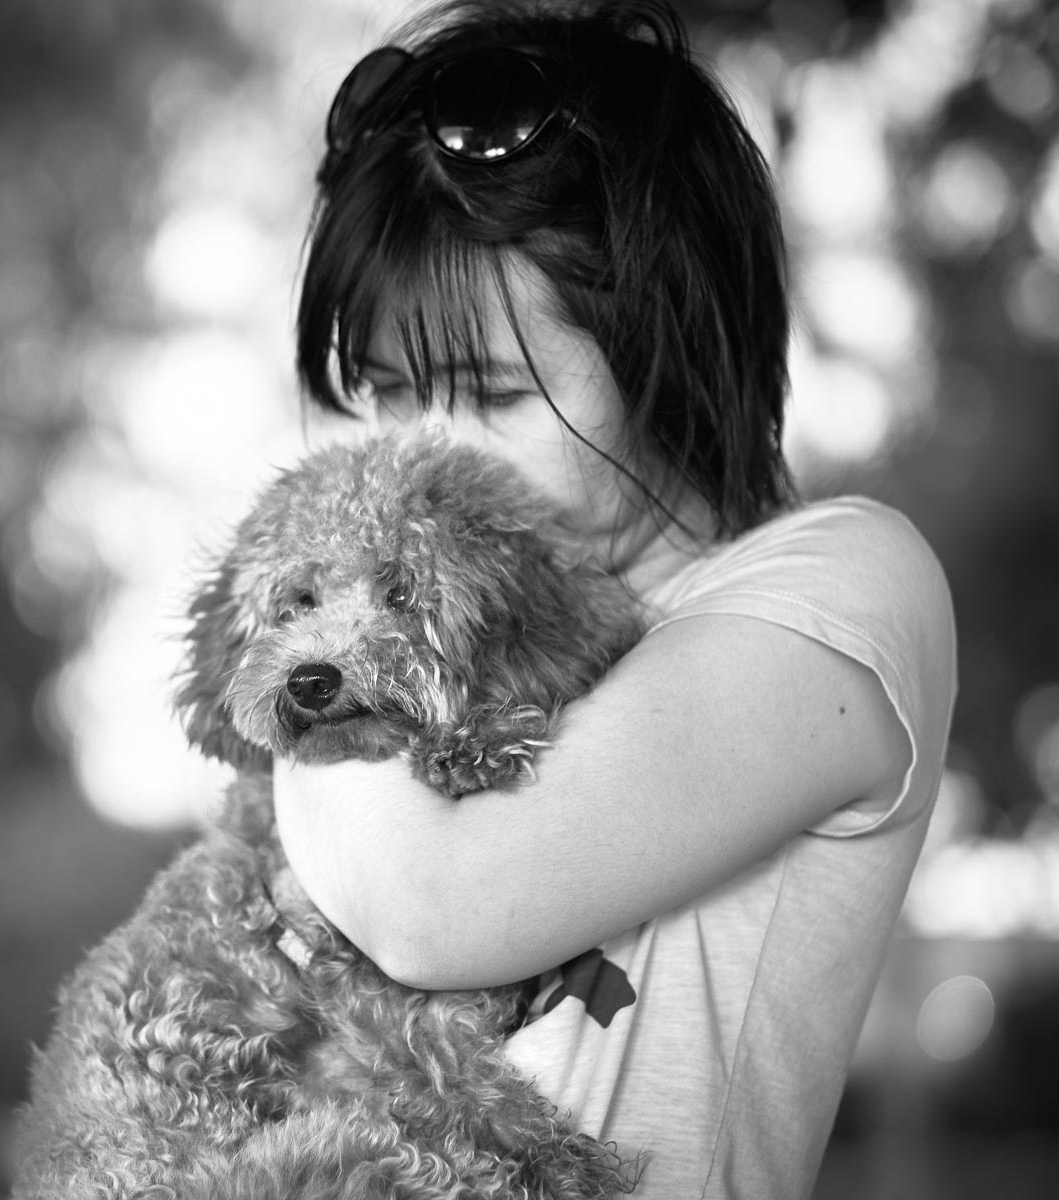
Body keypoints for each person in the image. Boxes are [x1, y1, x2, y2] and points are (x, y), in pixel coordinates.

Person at [271, 1, 958, 1195]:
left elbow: (434, 904)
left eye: (489, 393)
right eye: (386, 392)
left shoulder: (844, 590)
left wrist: (292, 650)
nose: (418, 462)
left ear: (664, 351)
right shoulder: (443, 643)